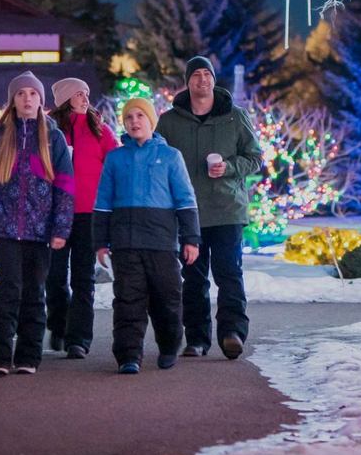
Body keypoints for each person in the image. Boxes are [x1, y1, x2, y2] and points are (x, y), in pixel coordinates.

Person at [156, 56, 261, 359]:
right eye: (196, 75)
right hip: (188, 213)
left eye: (207, 74)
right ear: (187, 82)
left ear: (214, 80)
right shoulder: (170, 121)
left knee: (229, 273)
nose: (202, 80)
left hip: (227, 209)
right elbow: (158, 162)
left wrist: (228, 167)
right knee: (193, 278)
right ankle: (197, 339)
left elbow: (255, 157)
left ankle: (232, 333)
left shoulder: (235, 116)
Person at [0, 72, 75, 376]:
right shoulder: (0, 137)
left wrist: (60, 228)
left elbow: (65, 187)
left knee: (34, 291)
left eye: (33, 94)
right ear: (13, 101)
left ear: (41, 100)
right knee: (7, 289)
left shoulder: (53, 138)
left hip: (40, 231)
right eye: (21, 94)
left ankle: (28, 355)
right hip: (5, 228)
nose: (27, 99)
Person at [95, 96, 201, 374]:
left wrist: (191, 239)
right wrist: (100, 242)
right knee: (128, 299)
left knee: (167, 298)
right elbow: (103, 202)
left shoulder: (170, 156)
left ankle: (169, 345)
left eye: (140, 116)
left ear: (151, 121)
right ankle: (129, 355)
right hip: (125, 242)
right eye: (129, 117)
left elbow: (186, 200)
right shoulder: (115, 158)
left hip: (161, 242)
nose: (134, 122)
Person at [46, 76, 118, 359]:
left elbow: (114, 166)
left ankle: (79, 339)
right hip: (56, 215)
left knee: (83, 278)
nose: (85, 98)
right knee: (53, 277)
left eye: (86, 93)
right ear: (65, 99)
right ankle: (59, 325)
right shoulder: (50, 130)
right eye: (78, 94)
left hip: (90, 214)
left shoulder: (100, 129)